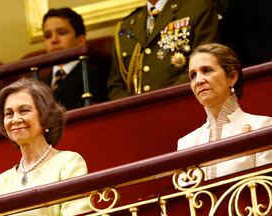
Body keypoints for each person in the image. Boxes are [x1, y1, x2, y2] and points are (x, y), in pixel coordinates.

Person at [0, 78, 90, 216]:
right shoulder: (0, 182)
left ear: (45, 118)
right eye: (9, 114)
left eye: (24, 110)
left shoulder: (68, 163)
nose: (15, 119)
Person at [177, 43, 272, 180]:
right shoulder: (186, 143)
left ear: (232, 77)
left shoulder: (263, 126)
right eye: (193, 75)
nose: (198, 81)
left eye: (207, 70)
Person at [108, 0, 219, 100]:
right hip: (138, 114)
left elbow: (205, 64)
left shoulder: (196, 8)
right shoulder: (126, 26)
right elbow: (116, 86)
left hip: (184, 102)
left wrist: (164, 99)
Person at [41, 8, 108, 110]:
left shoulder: (96, 74)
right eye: (47, 36)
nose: (54, 40)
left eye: (62, 32)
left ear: (81, 40)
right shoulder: (40, 83)